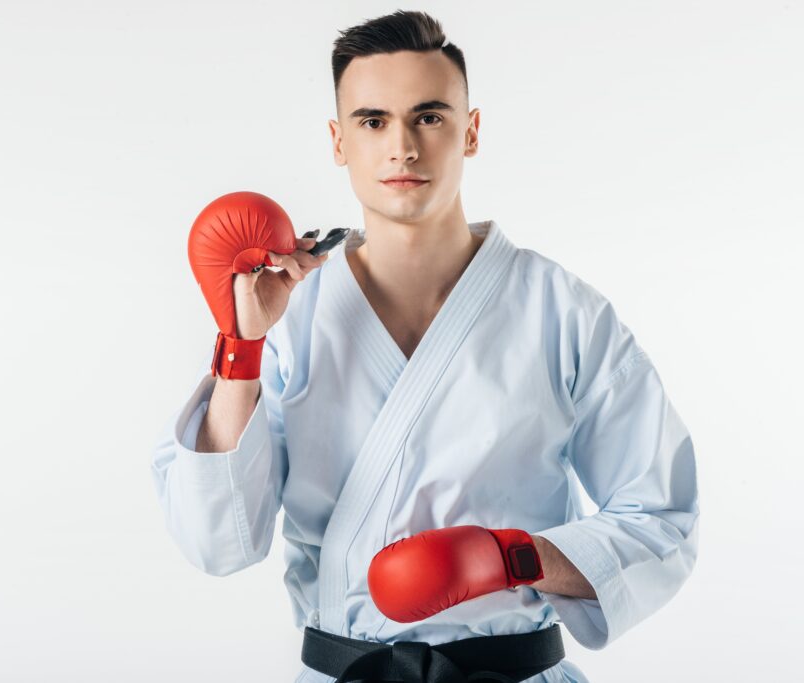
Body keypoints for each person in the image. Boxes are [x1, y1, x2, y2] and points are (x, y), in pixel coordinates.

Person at [150, 10, 699, 683]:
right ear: (338, 140)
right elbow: (217, 543)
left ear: (470, 131)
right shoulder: (290, 316)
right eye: (373, 121)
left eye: (429, 117)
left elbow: (663, 518)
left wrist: (511, 557)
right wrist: (242, 345)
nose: (402, 147)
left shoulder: (562, 313)